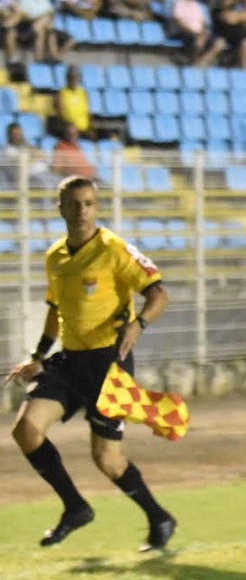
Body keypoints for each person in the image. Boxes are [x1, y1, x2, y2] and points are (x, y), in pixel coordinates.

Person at [4, 176, 177, 552]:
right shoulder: (55, 257)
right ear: (60, 207)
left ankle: (159, 517)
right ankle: (75, 507)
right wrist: (36, 357)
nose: (82, 210)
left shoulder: (115, 250)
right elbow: (56, 310)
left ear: (96, 208)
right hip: (69, 363)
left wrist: (139, 324)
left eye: (89, 203)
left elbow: (158, 293)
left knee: (107, 460)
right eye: (75, 203)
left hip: (108, 366)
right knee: (26, 430)